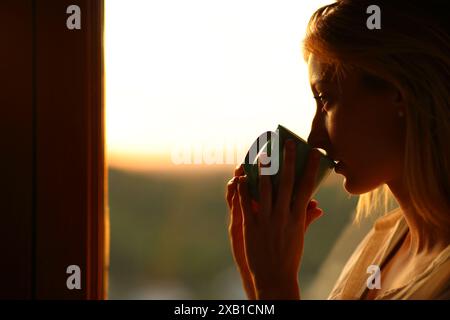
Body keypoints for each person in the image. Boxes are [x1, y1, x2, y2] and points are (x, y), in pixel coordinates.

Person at [225, 0, 450, 299]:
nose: (315, 138)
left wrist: (275, 284)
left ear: (399, 93)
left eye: (326, 99)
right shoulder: (381, 245)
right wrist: (255, 276)